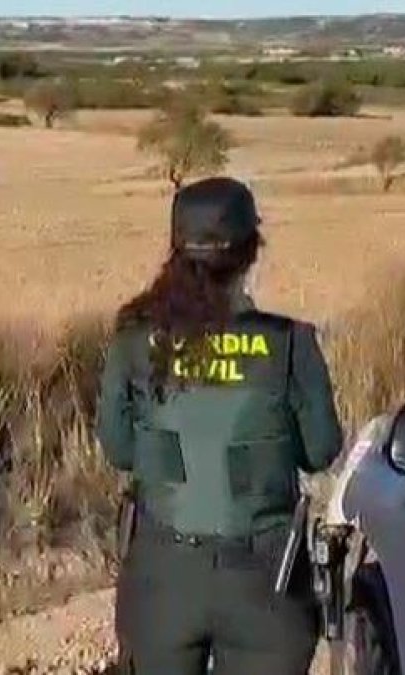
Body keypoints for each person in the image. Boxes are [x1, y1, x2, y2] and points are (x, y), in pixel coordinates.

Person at [97, 177, 344, 675]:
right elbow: (321, 451)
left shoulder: (135, 340)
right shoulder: (290, 344)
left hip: (163, 578)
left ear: (175, 252)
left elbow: (120, 450)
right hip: (266, 582)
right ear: (251, 252)